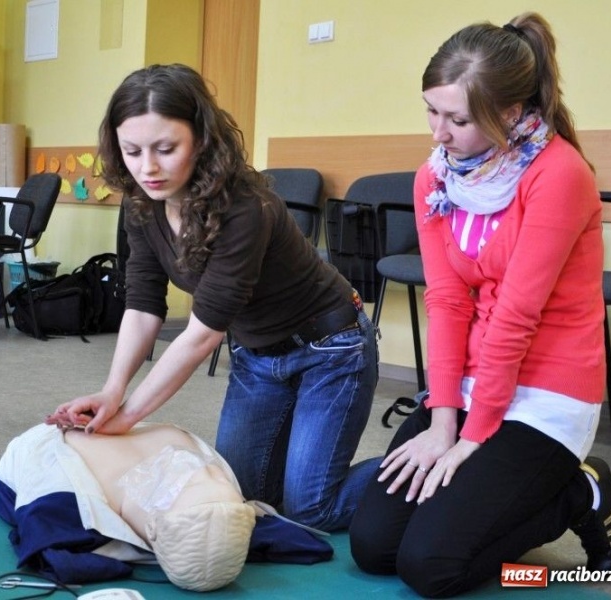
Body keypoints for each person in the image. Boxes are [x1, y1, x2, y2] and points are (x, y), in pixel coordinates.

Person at [348, 13, 611, 597]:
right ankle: (501, 481)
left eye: (457, 119)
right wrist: (444, 416)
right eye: (431, 110)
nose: (437, 133)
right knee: (375, 547)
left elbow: (516, 316)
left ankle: (576, 494)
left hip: (547, 394)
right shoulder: (435, 179)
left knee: (429, 568)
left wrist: (474, 439)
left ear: (508, 113)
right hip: (474, 384)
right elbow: (448, 300)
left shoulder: (559, 174)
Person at [48, 64, 379, 532]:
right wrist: (112, 390)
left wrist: (130, 416)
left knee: (312, 511)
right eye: (133, 151)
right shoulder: (141, 202)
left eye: (166, 149)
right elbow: (143, 302)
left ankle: (431, 457)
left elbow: (202, 336)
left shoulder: (246, 208)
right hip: (256, 356)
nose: (148, 167)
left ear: (201, 139)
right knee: (241, 499)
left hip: (330, 349)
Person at [0, 421, 333, 592]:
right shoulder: (217, 507)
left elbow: (46, 544)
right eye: (218, 482)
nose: (210, 471)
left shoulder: (67, 499)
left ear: (154, 527)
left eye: (196, 484)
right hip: (129, 419)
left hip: (47, 440)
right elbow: (306, 544)